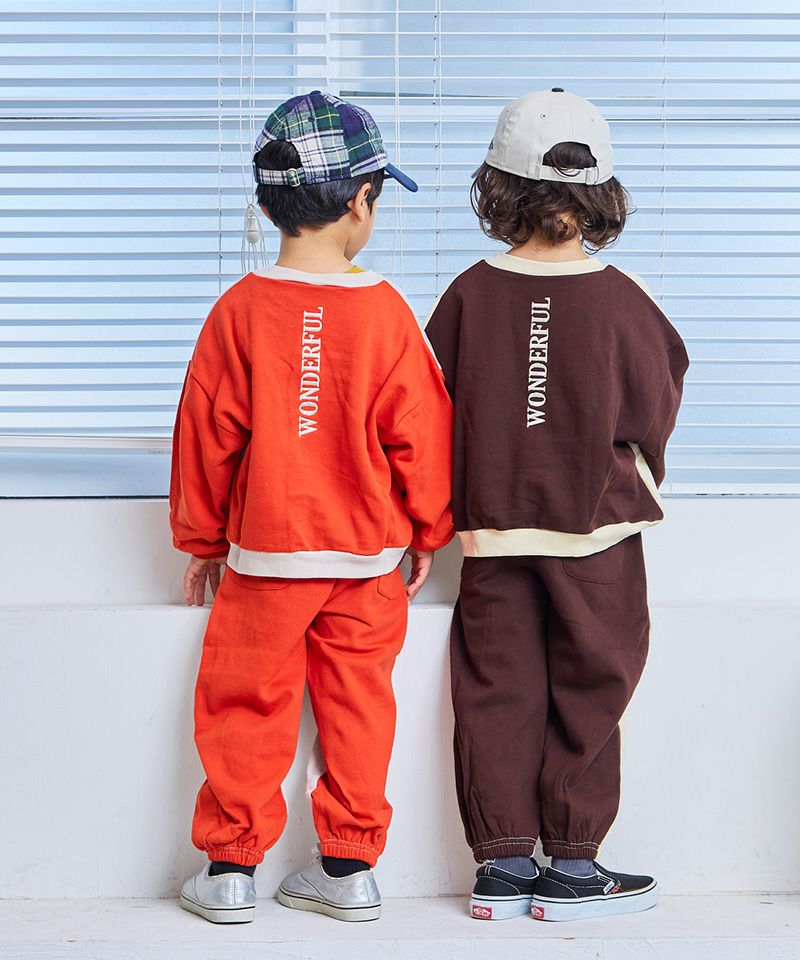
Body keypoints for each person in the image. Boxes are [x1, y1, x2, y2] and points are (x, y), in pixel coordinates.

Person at [170, 90, 454, 924]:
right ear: (362, 203)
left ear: (267, 206)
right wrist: (428, 528)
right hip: (366, 563)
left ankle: (230, 871)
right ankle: (349, 868)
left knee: (243, 703)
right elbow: (422, 434)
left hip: (265, 559)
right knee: (359, 707)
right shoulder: (389, 315)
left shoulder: (236, 312)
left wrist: (202, 540)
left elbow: (206, 438)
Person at [425, 89, 689, 923]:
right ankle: (573, 866)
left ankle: (502, 867)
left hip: (493, 529)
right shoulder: (622, 296)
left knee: (494, 688)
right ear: (603, 191)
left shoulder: (468, 294)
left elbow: (430, 408)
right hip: (596, 532)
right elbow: (657, 399)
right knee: (594, 684)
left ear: (497, 187)